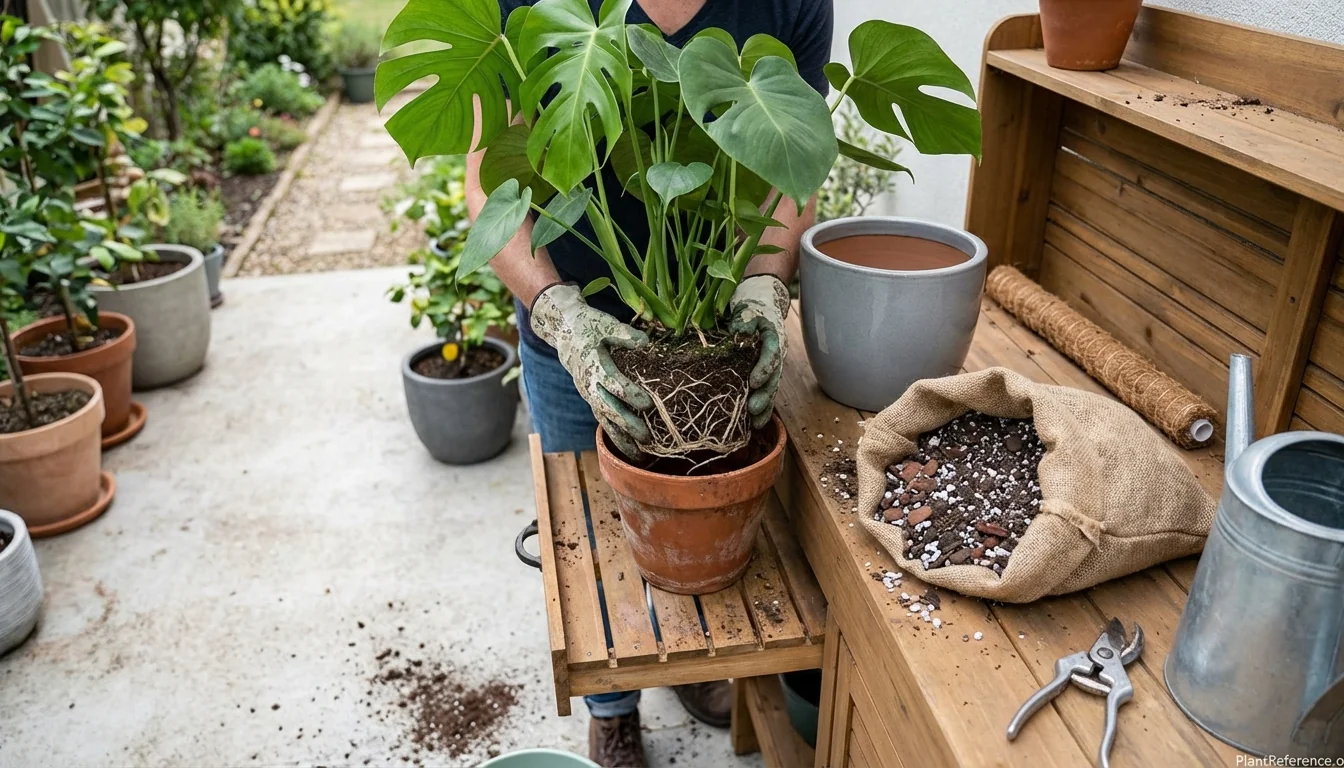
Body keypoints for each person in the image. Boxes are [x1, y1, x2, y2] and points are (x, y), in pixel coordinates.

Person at [467, 0, 833, 764]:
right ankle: (612, 707)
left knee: (698, 528)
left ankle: (690, 664)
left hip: (708, 320)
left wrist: (764, 284)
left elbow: (790, 166)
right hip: (570, 323)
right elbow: (486, 180)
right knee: (590, 543)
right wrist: (557, 311)